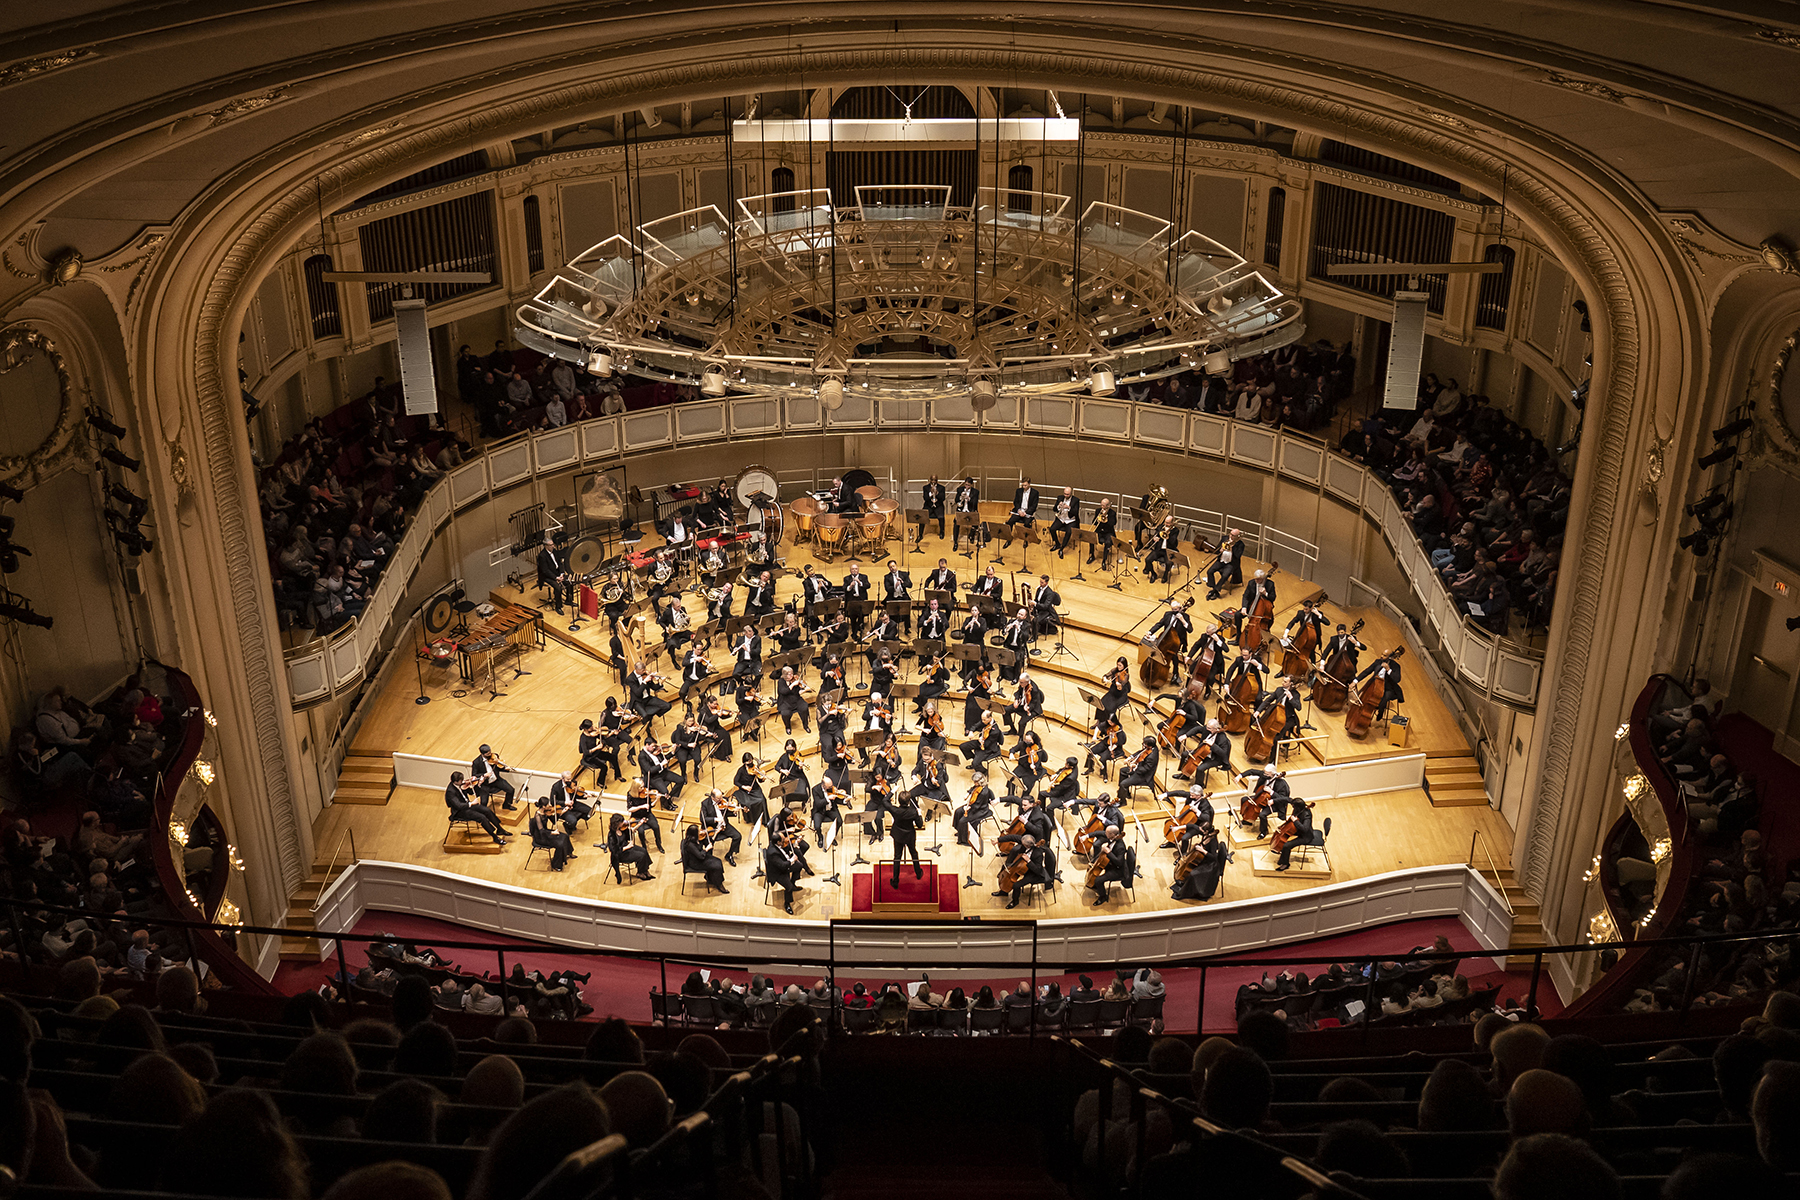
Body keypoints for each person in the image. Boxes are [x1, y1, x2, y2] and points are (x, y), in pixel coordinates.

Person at [445, 773, 508, 844]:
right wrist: (471, 803)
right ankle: (494, 837)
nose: (463, 781)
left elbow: (473, 792)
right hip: (459, 812)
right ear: (455, 782)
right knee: (482, 817)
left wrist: (478, 784)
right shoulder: (450, 792)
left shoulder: (461, 785)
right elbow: (458, 805)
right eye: (461, 780)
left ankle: (500, 829)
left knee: (486, 810)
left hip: (468, 806)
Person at [1088, 825, 1135, 906]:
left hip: (1118, 870)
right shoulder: (1112, 838)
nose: (1105, 834)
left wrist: (1108, 852)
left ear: (1113, 834)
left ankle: (1103, 897)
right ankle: (1097, 886)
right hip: (1112, 863)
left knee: (1098, 880)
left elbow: (1119, 862)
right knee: (1095, 867)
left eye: (1107, 833)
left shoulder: (1120, 847)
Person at [764, 829, 805, 914]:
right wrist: (792, 860)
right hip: (777, 872)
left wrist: (796, 842)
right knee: (788, 887)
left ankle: (793, 884)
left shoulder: (777, 844)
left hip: (784, 863)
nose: (785, 840)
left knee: (799, 866)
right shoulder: (772, 853)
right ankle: (787, 904)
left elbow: (786, 848)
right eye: (783, 839)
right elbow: (783, 866)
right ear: (778, 842)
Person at [606, 812, 654, 881]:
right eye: (622, 821)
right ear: (617, 824)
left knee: (644, 850)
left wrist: (639, 824)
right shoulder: (612, 835)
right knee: (641, 855)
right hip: (620, 855)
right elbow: (614, 850)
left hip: (627, 848)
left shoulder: (622, 829)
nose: (624, 822)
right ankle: (640, 872)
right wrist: (628, 847)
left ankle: (644, 870)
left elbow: (631, 832)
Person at [888, 793, 924, 887]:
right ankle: (918, 873)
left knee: (897, 857)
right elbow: (920, 825)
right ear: (909, 802)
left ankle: (895, 881)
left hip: (898, 835)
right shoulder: (913, 812)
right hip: (909, 836)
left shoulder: (895, 810)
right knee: (914, 853)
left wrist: (892, 791)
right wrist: (919, 814)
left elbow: (884, 801)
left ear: (899, 801)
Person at [680, 824, 727, 893]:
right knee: (717, 866)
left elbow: (709, 843)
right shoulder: (690, 845)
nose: (701, 831)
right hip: (696, 863)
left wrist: (715, 834)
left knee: (718, 861)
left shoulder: (697, 839)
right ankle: (719, 884)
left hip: (699, 857)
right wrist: (706, 849)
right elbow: (701, 856)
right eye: (698, 831)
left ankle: (711, 879)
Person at [698, 790, 741, 865]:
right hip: (712, 828)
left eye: (721, 796)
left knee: (737, 836)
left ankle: (729, 855)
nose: (721, 799)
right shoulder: (705, 804)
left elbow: (726, 813)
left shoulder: (724, 800)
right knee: (709, 845)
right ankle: (708, 861)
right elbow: (703, 819)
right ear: (712, 797)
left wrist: (734, 812)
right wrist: (715, 819)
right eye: (718, 798)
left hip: (723, 826)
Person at [528, 805, 575, 871]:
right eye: (547, 805)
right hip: (541, 838)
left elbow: (553, 821)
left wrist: (561, 812)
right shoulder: (537, 817)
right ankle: (556, 865)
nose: (549, 806)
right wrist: (552, 833)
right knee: (559, 844)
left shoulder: (545, 813)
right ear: (543, 806)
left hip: (546, 833)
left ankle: (568, 852)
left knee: (565, 836)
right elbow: (542, 831)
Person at [536, 533, 572, 614]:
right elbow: (545, 571)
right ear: (546, 546)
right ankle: (558, 607)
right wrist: (556, 578)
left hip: (558, 574)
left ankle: (568, 600)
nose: (553, 546)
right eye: (551, 545)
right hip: (548, 576)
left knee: (569, 581)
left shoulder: (554, 551)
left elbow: (560, 563)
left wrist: (562, 573)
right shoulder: (542, 556)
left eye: (553, 544)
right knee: (558, 588)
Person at [470, 745, 516, 809]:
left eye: (490, 752)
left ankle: (506, 805)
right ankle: (483, 813)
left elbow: (498, 767)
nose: (490, 754)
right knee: (483, 802)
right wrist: (484, 775)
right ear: (482, 754)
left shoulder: (494, 756)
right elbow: (474, 775)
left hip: (496, 780)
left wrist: (505, 768)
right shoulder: (476, 762)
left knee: (511, 790)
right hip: (485, 784)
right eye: (488, 753)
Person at [1204, 528, 1246, 598]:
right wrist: (1220, 550)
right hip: (1221, 560)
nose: (1230, 536)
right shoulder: (1225, 538)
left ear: (1237, 537)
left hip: (1230, 563)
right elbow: (1217, 549)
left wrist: (1232, 548)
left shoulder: (1241, 545)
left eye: (1233, 535)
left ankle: (1216, 590)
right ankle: (1212, 586)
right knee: (1210, 571)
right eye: (1230, 534)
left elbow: (1238, 556)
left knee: (1225, 575)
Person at [1049, 486, 1080, 556]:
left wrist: (1069, 507)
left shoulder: (1076, 500)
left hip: (1070, 520)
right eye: (1065, 494)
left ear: (1071, 494)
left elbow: (1076, 512)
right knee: (1052, 529)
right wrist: (1058, 506)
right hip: (1061, 518)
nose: (1066, 496)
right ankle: (1057, 544)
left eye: (1067, 494)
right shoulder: (1060, 498)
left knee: (1068, 532)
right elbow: (1054, 509)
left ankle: (1062, 548)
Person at [918, 475, 946, 543]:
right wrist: (930, 493)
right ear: (930, 480)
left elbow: (943, 498)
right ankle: (920, 534)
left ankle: (942, 532)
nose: (933, 482)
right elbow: (925, 498)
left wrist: (937, 493)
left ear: (937, 480)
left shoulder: (941, 488)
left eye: (935, 480)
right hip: (929, 505)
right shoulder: (925, 487)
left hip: (938, 505)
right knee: (922, 517)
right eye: (932, 480)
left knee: (941, 517)